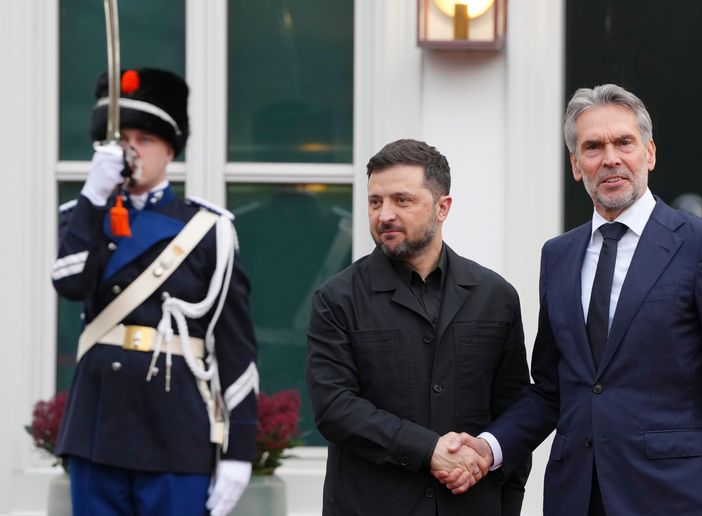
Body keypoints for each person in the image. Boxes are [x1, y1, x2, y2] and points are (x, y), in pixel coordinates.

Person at [440, 84, 702, 516]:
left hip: (676, 497)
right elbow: (551, 390)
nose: (610, 158)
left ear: (649, 153)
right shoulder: (558, 256)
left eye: (624, 142)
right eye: (593, 147)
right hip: (576, 496)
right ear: (576, 165)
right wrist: (488, 448)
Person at [52, 68, 259, 516]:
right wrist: (94, 195)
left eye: (143, 138)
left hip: (176, 429)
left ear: (169, 148)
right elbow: (69, 283)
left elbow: (236, 348)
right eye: (119, 138)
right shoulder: (81, 215)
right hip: (98, 427)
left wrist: (240, 450)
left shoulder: (209, 229)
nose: (130, 150)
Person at [306, 139, 531, 516]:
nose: (384, 215)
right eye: (375, 202)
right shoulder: (337, 298)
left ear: (443, 207)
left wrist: (505, 498)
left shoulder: (496, 297)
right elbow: (335, 408)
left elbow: (514, 410)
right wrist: (429, 451)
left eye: (402, 200)